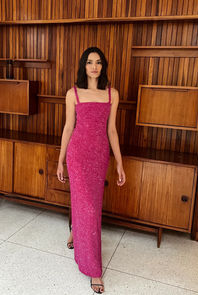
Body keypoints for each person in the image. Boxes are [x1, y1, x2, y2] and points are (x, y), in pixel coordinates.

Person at [57, 47, 126, 293]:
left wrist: (119, 161)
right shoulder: (73, 93)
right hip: (77, 153)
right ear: (83, 66)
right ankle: (93, 270)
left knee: (91, 206)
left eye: (98, 62)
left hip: (99, 157)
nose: (94, 66)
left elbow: (112, 131)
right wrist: (60, 159)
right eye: (89, 62)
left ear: (103, 66)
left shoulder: (112, 94)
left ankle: (76, 231)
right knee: (84, 203)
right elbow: (68, 128)